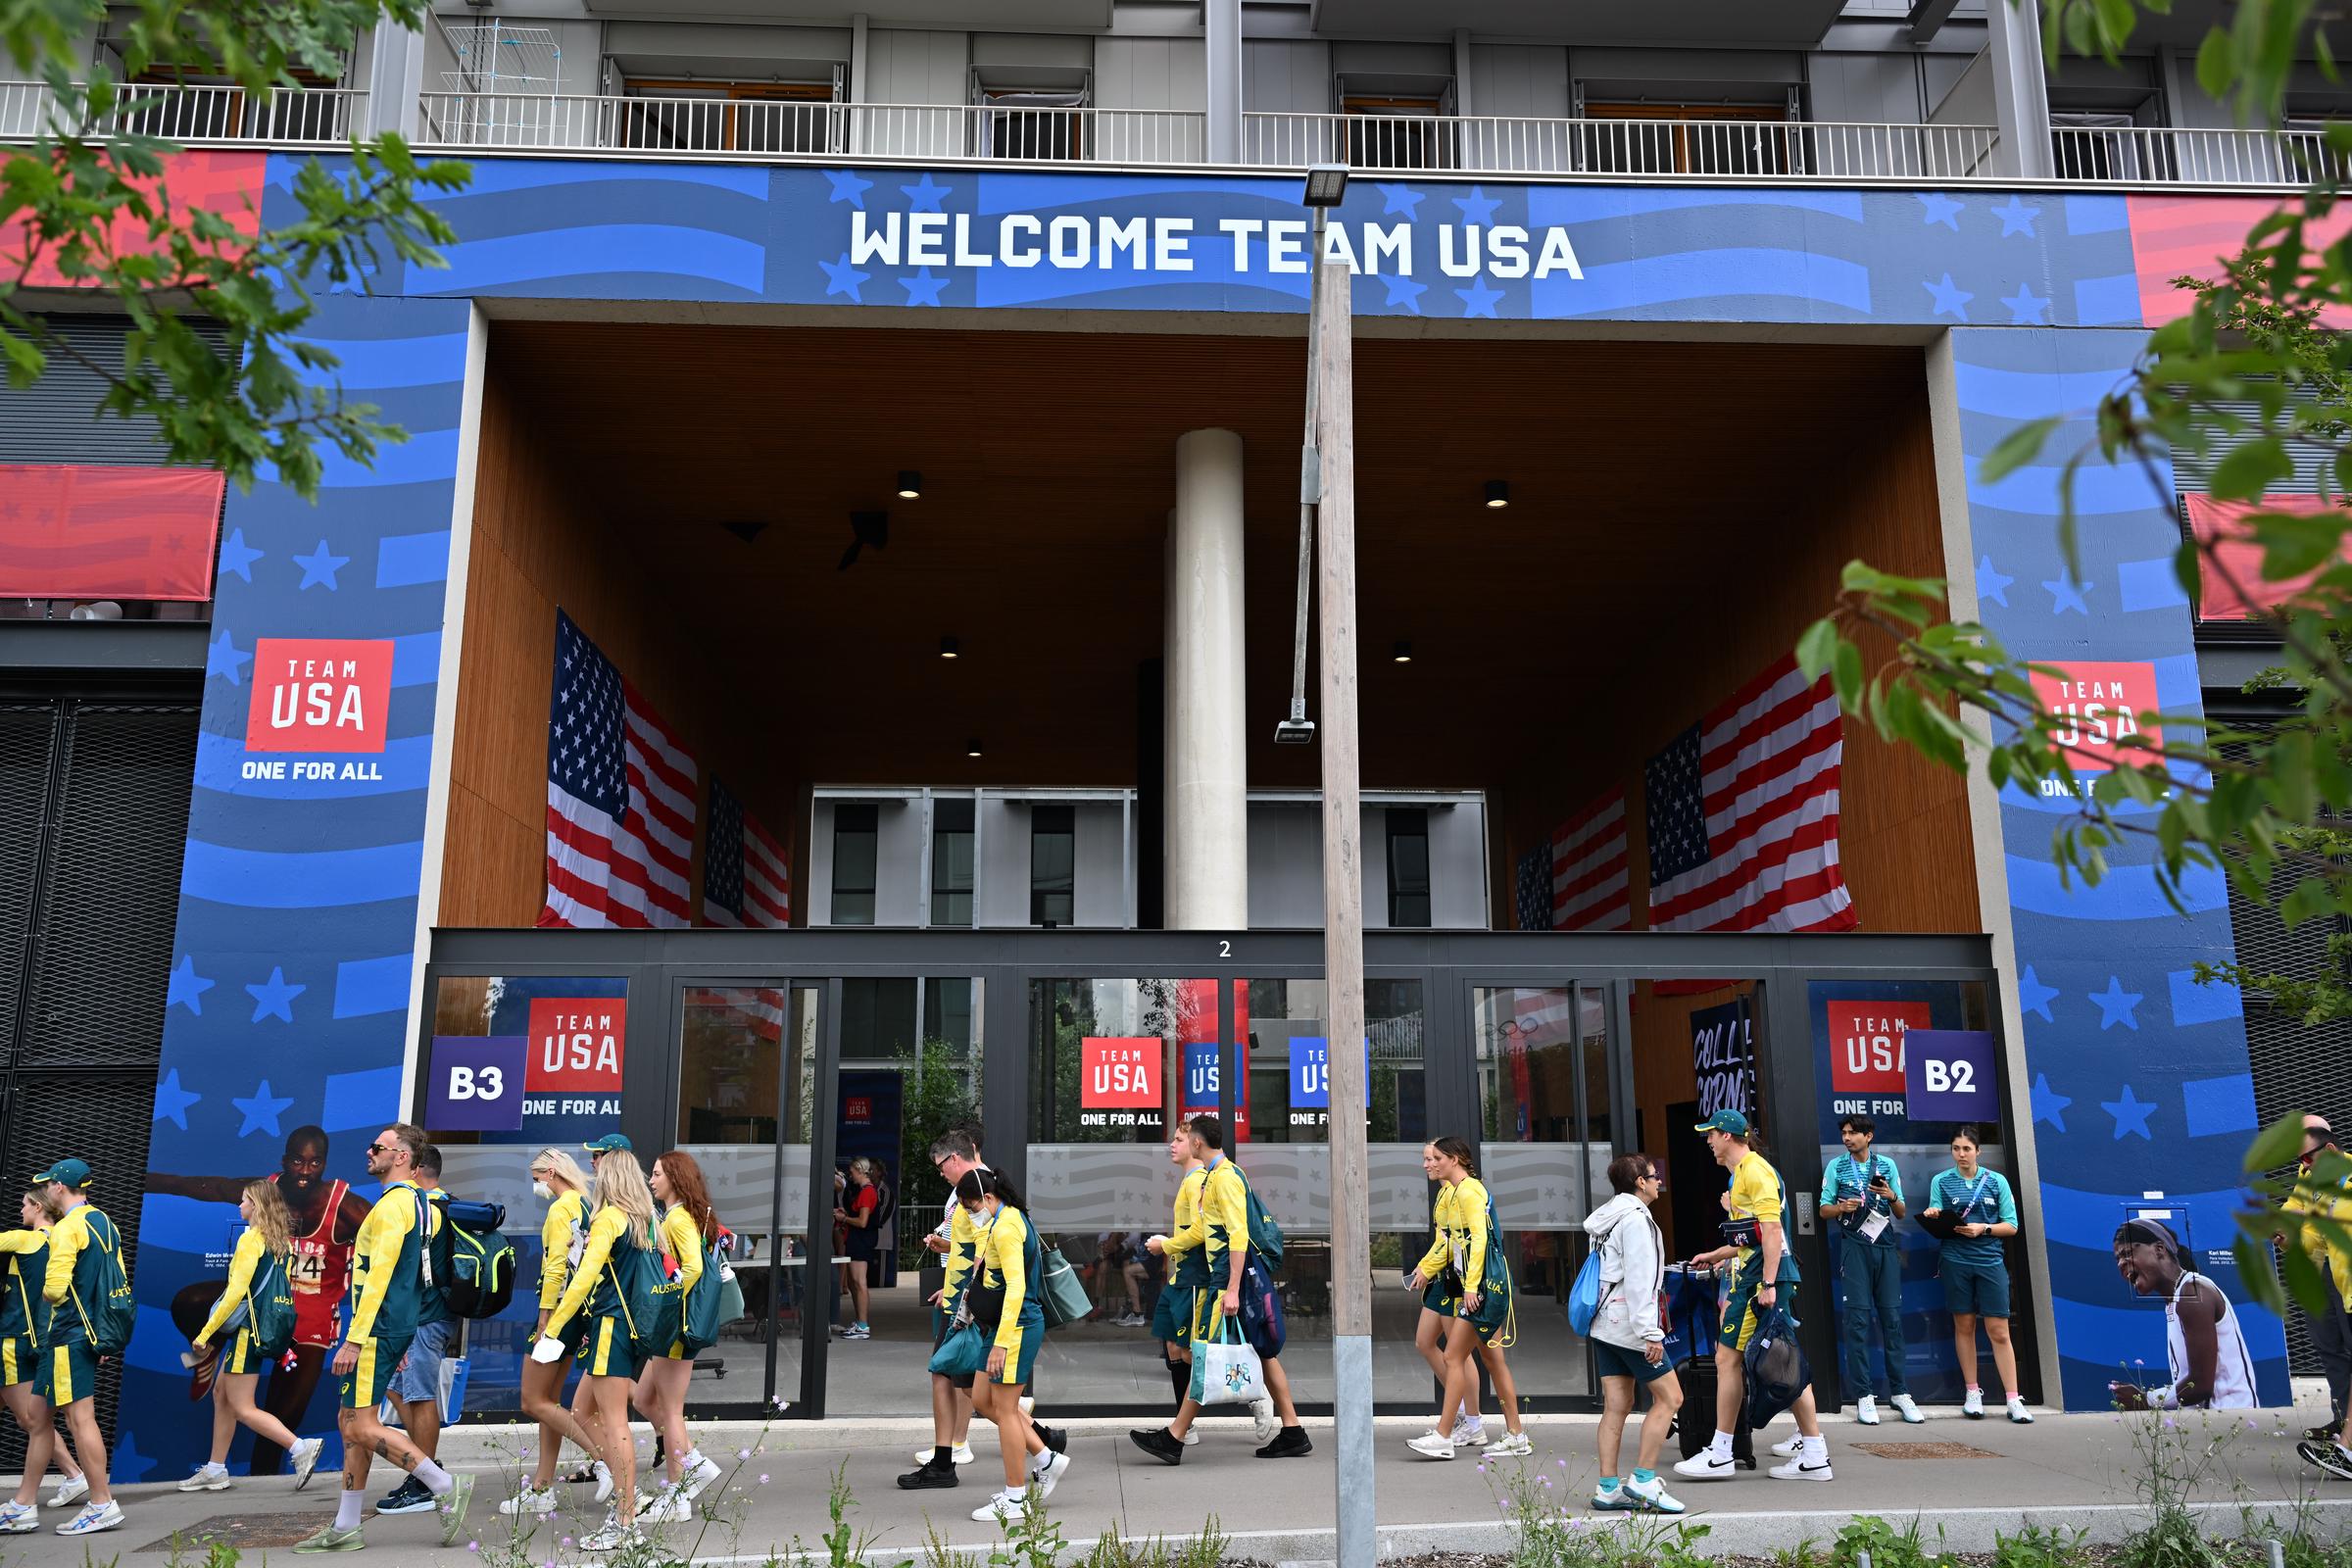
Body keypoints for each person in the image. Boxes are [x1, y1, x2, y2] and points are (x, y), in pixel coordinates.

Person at [291, 1124, 473, 1553]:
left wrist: (355, 1339)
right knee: (349, 1423)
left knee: (360, 1424)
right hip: (393, 1328)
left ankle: (443, 1484)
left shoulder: (394, 1207)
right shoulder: (415, 1202)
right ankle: (346, 1525)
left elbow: (380, 1277)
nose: (369, 1152)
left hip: (378, 1330)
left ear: (403, 1157)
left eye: (379, 1148)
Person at [155, 1126, 369, 1475]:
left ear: (325, 1164)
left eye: (314, 1163)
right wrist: (147, 1180)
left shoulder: (347, 1207)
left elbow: (389, 1245)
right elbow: (203, 1186)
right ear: (285, 1162)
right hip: (261, 1312)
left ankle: (278, 1467)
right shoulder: (261, 1201)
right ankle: (215, 1466)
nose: (304, 1171)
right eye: (298, 1161)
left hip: (309, 1321)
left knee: (272, 1412)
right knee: (191, 1308)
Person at [1128, 1115, 1312, 1464]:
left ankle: (1175, 1436)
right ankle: (1292, 1430)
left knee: (1206, 1355)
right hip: (1230, 1277)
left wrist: (1230, 1288)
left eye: (1185, 1139)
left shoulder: (1223, 1178)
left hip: (1230, 1279)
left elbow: (1237, 1234)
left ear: (1197, 1143)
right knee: (1261, 1352)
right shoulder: (1223, 1174)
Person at [1672, 1110, 1833, 1485]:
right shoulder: (1743, 1172)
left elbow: (1773, 1231)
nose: (1708, 1142)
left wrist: (1768, 1283)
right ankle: (1813, 1453)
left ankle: (1721, 1453)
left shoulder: (1754, 1171)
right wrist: (1718, 1254)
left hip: (1759, 1282)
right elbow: (1756, 1236)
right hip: (1758, 1277)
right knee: (1781, 1362)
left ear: (1727, 1136)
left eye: (1710, 1135)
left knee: (1731, 1359)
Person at [533, 1134, 664, 1552]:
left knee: (614, 1423)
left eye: (599, 1164)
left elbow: (585, 1276)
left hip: (610, 1326)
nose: (593, 1169)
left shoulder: (608, 1218)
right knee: (591, 1413)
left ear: (609, 1174)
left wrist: (553, 1328)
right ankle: (627, 1507)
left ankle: (625, 1521)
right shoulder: (645, 1218)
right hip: (634, 1328)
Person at [943, 1169, 1071, 1524]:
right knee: (983, 1400)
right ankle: (1046, 1459)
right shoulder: (1004, 1218)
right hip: (1001, 1325)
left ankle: (1016, 1498)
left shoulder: (1007, 1226)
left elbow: (1015, 1288)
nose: (970, 1215)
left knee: (1005, 1407)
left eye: (970, 1208)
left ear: (987, 1199)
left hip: (1015, 1327)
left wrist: (1001, 1344)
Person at [179, 1180, 325, 1493]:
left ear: (256, 1206)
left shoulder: (251, 1241)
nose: (239, 1205)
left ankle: (300, 1448)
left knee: (243, 1407)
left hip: (248, 1334)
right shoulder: (277, 1242)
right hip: (257, 1330)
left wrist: (205, 1333)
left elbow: (234, 1294)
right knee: (221, 1394)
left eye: (244, 1200)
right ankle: (216, 1468)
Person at [1143, 1127, 1276, 1447]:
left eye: (1179, 1139)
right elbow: (1202, 1228)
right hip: (1188, 1275)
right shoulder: (1204, 1178)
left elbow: (1227, 1233)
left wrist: (1169, 1246)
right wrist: (1170, 1245)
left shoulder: (1209, 1179)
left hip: (1200, 1277)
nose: (1173, 1145)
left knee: (1198, 1351)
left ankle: (1250, 1396)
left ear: (1195, 1143)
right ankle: (1181, 1428)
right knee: (1179, 1348)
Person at [1404, 1137, 1529, 1460]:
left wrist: (1471, 1288)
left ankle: (1447, 1434)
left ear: (1455, 1160)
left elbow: (1481, 1242)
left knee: (1455, 1357)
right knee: (1488, 1359)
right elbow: (1453, 1242)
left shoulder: (1470, 1191)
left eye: (1436, 1158)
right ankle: (1514, 1434)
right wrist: (1427, 1268)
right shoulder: (1457, 1191)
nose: (1429, 1163)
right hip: (1478, 1286)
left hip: (1482, 1288)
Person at [502, 1149, 611, 1517]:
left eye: (536, 1178)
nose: (536, 1185)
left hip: (559, 1313)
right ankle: (542, 1487)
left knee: (532, 1400)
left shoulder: (562, 1208)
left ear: (550, 1172)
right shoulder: (586, 1205)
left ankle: (602, 1461)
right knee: (548, 1401)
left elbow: (555, 1267)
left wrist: (546, 1319)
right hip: (578, 1312)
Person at [1586, 1153, 1685, 1515]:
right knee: (1671, 1398)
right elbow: (1641, 1282)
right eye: (1654, 1176)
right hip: (1630, 1325)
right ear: (1640, 1182)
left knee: (1617, 1406)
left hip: (1605, 1324)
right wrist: (1651, 1334)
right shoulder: (1636, 1222)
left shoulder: (1608, 1217)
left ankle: (1608, 1487)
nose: (1659, 1182)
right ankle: (1643, 1479)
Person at [32, 1158, 127, 1536]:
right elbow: (114, 1281)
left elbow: (56, 1288)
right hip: (92, 1331)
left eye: (48, 1185)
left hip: (68, 1332)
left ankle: (102, 1503)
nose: (46, 1191)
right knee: (54, 1418)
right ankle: (27, 1502)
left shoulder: (67, 1228)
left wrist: (43, 1295)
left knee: (79, 1419)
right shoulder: (104, 1221)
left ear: (59, 1187)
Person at [634, 1150, 724, 1523]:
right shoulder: (674, 1216)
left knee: (671, 1410)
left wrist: (665, 1300)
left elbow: (693, 1268)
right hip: (672, 1325)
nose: (651, 1180)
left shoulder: (678, 1219)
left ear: (674, 1177)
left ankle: (678, 1494)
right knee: (642, 1398)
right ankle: (695, 1464)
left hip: (675, 1326)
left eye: (656, 1174)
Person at [1922, 1126, 2031, 1423]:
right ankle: (1973, 1393)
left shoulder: (1997, 1181)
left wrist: (1983, 1228)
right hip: (1955, 1260)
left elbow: (2012, 1225)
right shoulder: (1941, 1181)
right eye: (1956, 1149)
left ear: (1978, 1151)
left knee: (1999, 1329)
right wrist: (1933, 1214)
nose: (1961, 1154)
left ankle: (2013, 1398)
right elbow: (1936, 1212)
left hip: (1990, 1260)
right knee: (1964, 1326)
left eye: (1966, 1149)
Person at [1820, 1115, 1922, 1426]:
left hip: (1885, 1246)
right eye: (1844, 1133)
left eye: (1853, 1133)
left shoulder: (1886, 1166)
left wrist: (1890, 1196)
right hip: (1853, 1246)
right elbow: (1823, 1210)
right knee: (1858, 1321)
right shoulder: (1837, 1167)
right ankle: (1864, 1395)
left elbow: (1902, 1211)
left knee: (1892, 1320)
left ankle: (1900, 1392)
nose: (1847, 1138)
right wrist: (1841, 1208)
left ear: (1869, 1136)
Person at [376, 1146, 454, 1519]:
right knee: (396, 1386)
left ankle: (426, 1481)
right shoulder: (441, 1205)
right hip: (421, 1317)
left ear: (417, 1168)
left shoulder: (428, 1208)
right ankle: (426, 1466)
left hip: (425, 1316)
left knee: (421, 1396)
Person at [0, 1190, 84, 1533]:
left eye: (24, 1204)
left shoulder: (24, 1239)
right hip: (45, 1341)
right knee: (37, 1419)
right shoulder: (65, 1241)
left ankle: (33, 1498)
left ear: (37, 1207)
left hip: (15, 1341)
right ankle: (72, 1475)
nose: (20, 1210)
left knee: (34, 1421)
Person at [2108, 1217, 2255, 1410]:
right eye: (2117, 1259)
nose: (2121, 1263)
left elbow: (2201, 1385)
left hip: (2230, 1424)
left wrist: (2146, 1399)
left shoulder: (2193, 1294)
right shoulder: (2177, 1297)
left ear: (2159, 1249)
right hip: (2212, 1425)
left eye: (2127, 1253)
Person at [2279, 1116, 2352, 1442]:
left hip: (2344, 1273)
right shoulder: (2309, 1175)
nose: (2304, 1166)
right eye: (2300, 1161)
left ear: (2331, 1148)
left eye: (2308, 1157)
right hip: (2318, 1270)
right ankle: (2342, 1422)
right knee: (2328, 1345)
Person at [834, 1158, 880, 1341]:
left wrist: (843, 1219)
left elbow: (862, 1222)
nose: (850, 1174)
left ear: (860, 1171)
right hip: (857, 1240)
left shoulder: (867, 1192)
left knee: (859, 1282)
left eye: (852, 1171)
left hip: (861, 1241)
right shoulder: (865, 1191)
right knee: (855, 1282)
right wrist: (846, 1215)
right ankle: (860, 1322)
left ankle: (863, 1325)